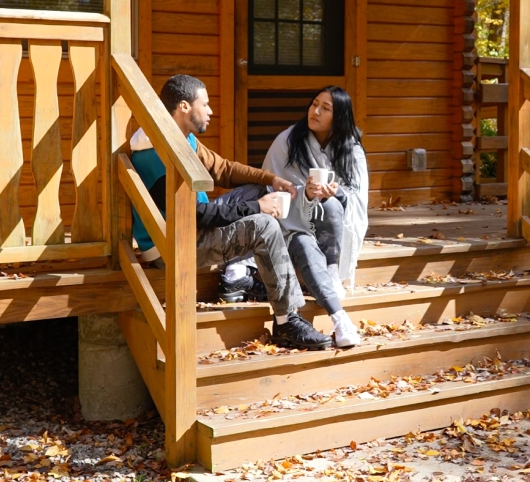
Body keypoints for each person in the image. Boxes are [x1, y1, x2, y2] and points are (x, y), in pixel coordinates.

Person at [128, 74, 331, 350]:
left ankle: (244, 276)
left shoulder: (178, 137)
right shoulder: (157, 154)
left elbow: (222, 169)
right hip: (175, 245)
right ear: (185, 107)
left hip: (190, 228)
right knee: (264, 224)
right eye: (206, 104)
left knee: (257, 190)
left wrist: (269, 179)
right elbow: (198, 215)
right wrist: (258, 208)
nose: (211, 110)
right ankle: (286, 321)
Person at [261, 86, 369, 347]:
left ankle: (332, 267)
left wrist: (338, 194)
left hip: (328, 226)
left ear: (339, 116)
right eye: (314, 104)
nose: (316, 111)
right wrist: (305, 193)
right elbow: (270, 186)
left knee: (332, 206)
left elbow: (358, 196)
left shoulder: (351, 149)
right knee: (302, 243)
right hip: (289, 225)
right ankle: (340, 318)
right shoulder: (288, 140)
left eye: (325, 108)